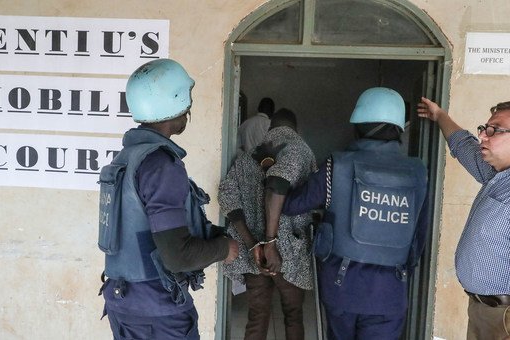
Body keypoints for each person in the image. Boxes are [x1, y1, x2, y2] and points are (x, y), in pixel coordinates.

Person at [262, 88, 429, 339]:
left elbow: (292, 205)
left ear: (358, 125)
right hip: (390, 290)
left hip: (342, 286)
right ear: (398, 128)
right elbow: (420, 236)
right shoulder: (418, 172)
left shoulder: (336, 165)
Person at [98, 59, 239, 340]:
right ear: (176, 101)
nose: (189, 108)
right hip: (157, 313)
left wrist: (209, 234)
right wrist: (225, 248)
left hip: (123, 301)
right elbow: (178, 255)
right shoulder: (161, 165)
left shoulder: (126, 159)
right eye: (187, 100)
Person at [218, 108, 317, 340]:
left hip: (255, 255)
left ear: (270, 127)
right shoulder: (300, 150)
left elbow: (227, 195)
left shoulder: (248, 155)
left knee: (257, 315)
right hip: (289, 252)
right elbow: (277, 183)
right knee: (293, 315)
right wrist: (271, 243)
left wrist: (253, 244)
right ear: (296, 128)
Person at [418, 97, 510, 340]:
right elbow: (463, 145)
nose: (484, 136)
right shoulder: (496, 176)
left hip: (504, 318)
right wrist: (440, 116)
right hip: (484, 311)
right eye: (484, 129)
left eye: (495, 130)